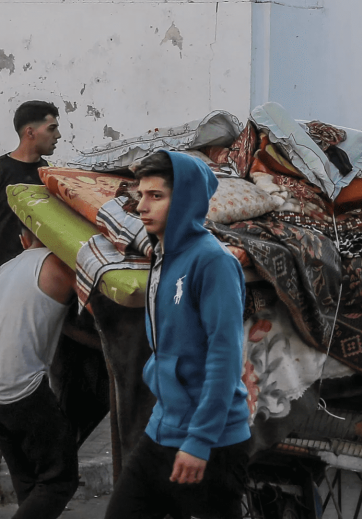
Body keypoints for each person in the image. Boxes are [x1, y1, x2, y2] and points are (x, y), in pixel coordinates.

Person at [102, 152, 251, 519]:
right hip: (161, 431)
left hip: (211, 443)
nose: (141, 206)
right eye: (141, 195)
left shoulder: (213, 262)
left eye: (156, 196)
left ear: (184, 199)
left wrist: (200, 442)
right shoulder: (161, 254)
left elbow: (224, 356)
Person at [0, 100, 62, 474]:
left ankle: (40, 441)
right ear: (31, 132)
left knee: (40, 362)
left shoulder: (52, 175)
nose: (58, 135)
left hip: (39, 285)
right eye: (52, 128)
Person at [0, 227, 80, 519]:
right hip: (16, 390)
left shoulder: (6, 267)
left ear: (23, 238)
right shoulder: (62, 267)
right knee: (58, 480)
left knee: (27, 478)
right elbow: (92, 326)